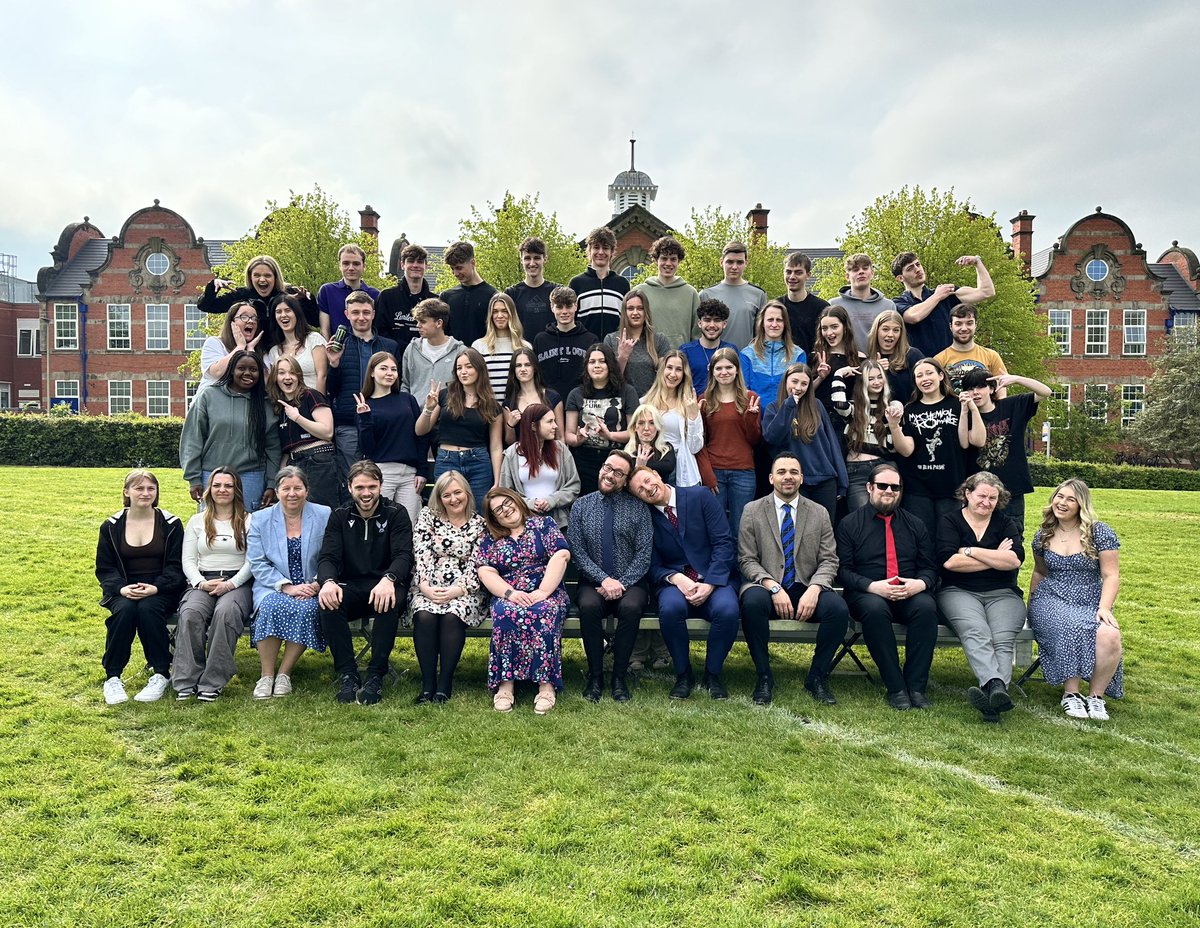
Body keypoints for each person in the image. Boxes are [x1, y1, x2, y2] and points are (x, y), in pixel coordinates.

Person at [738, 452, 849, 706]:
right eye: (781, 472)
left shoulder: (819, 512)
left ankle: (817, 677)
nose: (788, 477)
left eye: (793, 472)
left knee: (838, 609)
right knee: (752, 603)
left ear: (802, 478)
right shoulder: (752, 511)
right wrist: (772, 586)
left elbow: (830, 559)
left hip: (806, 584)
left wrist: (816, 588)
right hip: (766, 585)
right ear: (770, 478)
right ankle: (764, 676)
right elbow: (746, 559)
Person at [628, 466, 740, 700]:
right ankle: (683, 674)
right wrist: (676, 578)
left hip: (714, 579)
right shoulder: (645, 517)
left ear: (657, 474)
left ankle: (712, 674)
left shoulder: (700, 496)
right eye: (640, 489)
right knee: (670, 609)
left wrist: (710, 583)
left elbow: (723, 543)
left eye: (648, 480)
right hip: (673, 583)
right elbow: (651, 563)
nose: (648, 488)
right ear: (638, 497)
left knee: (727, 610)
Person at [836, 464, 940, 710]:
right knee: (874, 610)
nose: (889, 491)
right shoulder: (850, 524)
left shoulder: (915, 524)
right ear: (869, 488)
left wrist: (920, 584)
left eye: (895, 487)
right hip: (867, 593)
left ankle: (915, 687)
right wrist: (872, 586)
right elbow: (843, 571)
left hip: (908, 591)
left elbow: (930, 567)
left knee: (926, 607)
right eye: (883, 486)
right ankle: (895, 687)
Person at [317, 461, 414, 705]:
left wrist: (389, 579)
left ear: (381, 486)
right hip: (352, 584)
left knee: (387, 602)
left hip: (387, 583)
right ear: (350, 488)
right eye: (360, 487)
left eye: (372, 486)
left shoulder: (396, 513)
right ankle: (348, 674)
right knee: (329, 602)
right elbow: (328, 557)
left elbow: (404, 556)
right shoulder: (340, 515)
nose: (366, 492)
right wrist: (328, 582)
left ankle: (375, 676)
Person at [1028, 479, 1123, 721]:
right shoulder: (1043, 534)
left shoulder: (1099, 532)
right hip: (1051, 597)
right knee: (1069, 625)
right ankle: (1071, 694)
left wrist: (1104, 607)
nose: (1063, 503)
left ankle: (1096, 697)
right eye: (1060, 497)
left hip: (1089, 597)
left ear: (1081, 504)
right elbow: (1040, 572)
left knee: (1110, 634)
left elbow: (1111, 575)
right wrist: (1030, 605)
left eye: (1071, 499)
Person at [937, 471, 1027, 723]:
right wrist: (993, 557)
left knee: (1001, 638)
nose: (987, 502)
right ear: (967, 493)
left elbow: (1013, 560)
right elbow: (950, 563)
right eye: (981, 496)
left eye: (993, 498)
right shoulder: (950, 521)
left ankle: (993, 696)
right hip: (958, 591)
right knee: (976, 631)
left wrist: (970, 551)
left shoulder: (1005, 523)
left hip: (1003, 594)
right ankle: (997, 688)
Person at [566, 450, 653, 703]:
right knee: (590, 606)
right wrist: (603, 580)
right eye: (607, 468)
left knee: (631, 607)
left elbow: (644, 554)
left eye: (618, 473)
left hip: (631, 582)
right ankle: (595, 676)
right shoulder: (581, 506)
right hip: (594, 582)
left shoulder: (638, 509)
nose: (610, 475)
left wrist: (622, 583)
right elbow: (577, 551)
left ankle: (619, 677)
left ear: (626, 480)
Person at [476, 488, 572, 714]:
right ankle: (506, 685)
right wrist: (510, 593)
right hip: (509, 592)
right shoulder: (491, 538)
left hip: (547, 591)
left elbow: (561, 555)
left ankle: (546, 686)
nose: (506, 510)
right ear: (495, 518)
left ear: (517, 500)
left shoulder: (543, 525)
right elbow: (486, 571)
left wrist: (543, 591)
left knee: (544, 612)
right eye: (498, 510)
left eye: (507, 502)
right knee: (505, 613)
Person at [95, 470, 184, 705]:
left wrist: (156, 588)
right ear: (127, 492)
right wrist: (122, 589)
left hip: (161, 590)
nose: (145, 493)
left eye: (150, 489)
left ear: (156, 493)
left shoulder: (171, 524)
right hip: (124, 589)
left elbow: (177, 567)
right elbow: (104, 569)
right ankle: (113, 677)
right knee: (125, 611)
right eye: (139, 488)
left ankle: (161, 673)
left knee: (147, 609)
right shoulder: (111, 526)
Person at [247, 466, 332, 699]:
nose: (292, 493)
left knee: (306, 610)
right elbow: (257, 562)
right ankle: (266, 675)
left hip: (310, 586)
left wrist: (316, 584)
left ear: (307, 490)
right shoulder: (260, 518)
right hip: (273, 585)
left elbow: (332, 555)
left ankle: (284, 673)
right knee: (272, 606)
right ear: (277, 491)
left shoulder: (324, 514)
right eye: (286, 488)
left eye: (297, 488)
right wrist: (286, 586)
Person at [173, 468, 255, 701]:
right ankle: (186, 680)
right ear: (210, 489)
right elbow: (188, 560)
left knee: (226, 613)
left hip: (237, 582)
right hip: (203, 580)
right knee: (190, 613)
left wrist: (230, 584)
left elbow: (252, 561)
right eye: (217, 485)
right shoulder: (197, 521)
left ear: (236, 489)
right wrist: (200, 583)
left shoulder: (249, 520)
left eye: (228, 485)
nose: (222, 490)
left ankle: (213, 681)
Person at [408, 471, 489, 704]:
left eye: (457, 493)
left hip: (466, 590)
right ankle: (427, 685)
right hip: (428, 584)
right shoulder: (427, 517)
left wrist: (459, 590)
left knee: (453, 615)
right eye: (446, 495)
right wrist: (425, 586)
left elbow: (478, 563)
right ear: (439, 497)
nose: (453, 499)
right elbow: (421, 552)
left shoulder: (480, 524)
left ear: (467, 493)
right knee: (424, 616)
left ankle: (444, 684)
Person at [889, 357, 984, 539]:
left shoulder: (957, 404)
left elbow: (976, 441)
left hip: (952, 486)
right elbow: (907, 450)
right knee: (922, 539)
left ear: (941, 375)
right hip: (918, 489)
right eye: (919, 376)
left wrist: (971, 408)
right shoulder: (910, 410)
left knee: (949, 539)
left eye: (929, 373)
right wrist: (894, 426)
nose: (925, 378)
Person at [180, 350, 281, 512]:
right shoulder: (209, 396)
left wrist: (271, 483)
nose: (247, 373)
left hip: (251, 476)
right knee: (212, 530)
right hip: (212, 475)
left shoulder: (265, 404)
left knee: (247, 531)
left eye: (253, 369)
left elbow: (273, 448)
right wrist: (194, 479)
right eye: (241, 368)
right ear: (232, 370)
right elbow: (192, 438)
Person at [959, 369, 1052, 528]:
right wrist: (967, 409)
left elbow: (1045, 392)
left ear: (991, 388)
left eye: (981, 387)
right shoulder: (965, 414)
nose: (975, 392)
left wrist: (1016, 378)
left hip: (1011, 489)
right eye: (970, 388)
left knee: (1013, 537)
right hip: (978, 491)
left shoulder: (1012, 405)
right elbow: (969, 442)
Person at [415, 348, 503, 511]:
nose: (463, 372)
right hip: (447, 459)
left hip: (479, 462)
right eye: (459, 368)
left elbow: (496, 446)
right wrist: (428, 409)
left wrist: (497, 481)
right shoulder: (444, 395)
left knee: (479, 513)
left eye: (468, 367)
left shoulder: (492, 405)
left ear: (479, 369)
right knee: (445, 511)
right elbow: (421, 430)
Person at [762, 363, 848, 528]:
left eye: (804, 384)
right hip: (795, 481)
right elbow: (772, 438)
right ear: (785, 381)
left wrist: (842, 482)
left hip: (825, 479)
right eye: (794, 382)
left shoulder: (816, 406)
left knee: (825, 531)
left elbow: (832, 443)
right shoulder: (774, 408)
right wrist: (788, 405)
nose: (798, 387)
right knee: (798, 532)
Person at [325, 290, 399, 476]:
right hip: (349, 423)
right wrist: (333, 364)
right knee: (353, 479)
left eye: (366, 312)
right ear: (347, 314)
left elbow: (397, 385)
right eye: (355, 312)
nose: (361, 317)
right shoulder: (339, 346)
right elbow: (331, 389)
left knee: (382, 478)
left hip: (382, 423)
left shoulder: (390, 346)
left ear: (373, 314)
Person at [355, 350, 428, 530]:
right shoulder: (365, 404)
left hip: (409, 474)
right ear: (372, 372)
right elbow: (367, 448)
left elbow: (421, 436)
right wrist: (365, 418)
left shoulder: (407, 399)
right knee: (379, 526)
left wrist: (422, 470)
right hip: (381, 473)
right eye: (384, 368)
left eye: (394, 369)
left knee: (410, 525)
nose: (389, 373)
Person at [702, 347, 762, 542]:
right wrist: (707, 474)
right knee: (717, 529)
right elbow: (698, 441)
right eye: (718, 368)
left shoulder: (749, 398)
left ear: (737, 370)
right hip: (715, 470)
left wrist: (751, 418)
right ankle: (720, 572)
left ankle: (741, 572)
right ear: (712, 371)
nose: (724, 372)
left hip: (743, 471)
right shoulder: (704, 400)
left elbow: (754, 440)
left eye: (729, 367)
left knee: (741, 530)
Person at [565, 344, 640, 496]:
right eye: (592, 362)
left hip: (617, 459)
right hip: (584, 459)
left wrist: (610, 436)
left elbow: (635, 432)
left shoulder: (627, 391)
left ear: (610, 365)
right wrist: (578, 438)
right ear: (586, 366)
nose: (597, 366)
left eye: (602, 361)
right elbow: (568, 434)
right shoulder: (575, 394)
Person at [269, 356, 339, 510]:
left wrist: (297, 418)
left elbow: (327, 432)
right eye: (281, 373)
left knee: (323, 513)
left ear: (298, 376)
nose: (287, 377)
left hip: (318, 460)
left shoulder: (310, 395)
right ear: (275, 377)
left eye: (292, 373)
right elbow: (287, 451)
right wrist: (280, 478)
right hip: (294, 463)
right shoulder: (280, 407)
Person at [893, 252, 995, 358]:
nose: (917, 269)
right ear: (900, 278)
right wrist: (938, 295)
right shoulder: (898, 302)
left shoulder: (946, 293)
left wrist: (977, 262)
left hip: (950, 365)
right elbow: (914, 317)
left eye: (918, 264)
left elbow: (986, 292)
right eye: (910, 268)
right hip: (919, 369)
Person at [198, 254, 317, 342]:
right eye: (257, 275)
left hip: (283, 352)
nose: (262, 280)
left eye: (267, 275)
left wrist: (306, 302)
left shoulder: (289, 295)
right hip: (253, 354)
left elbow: (315, 321)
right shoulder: (242, 295)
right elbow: (206, 305)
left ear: (275, 277)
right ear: (250, 277)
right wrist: (213, 286)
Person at [499, 403, 581, 529]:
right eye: (550, 422)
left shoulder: (561, 449)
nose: (555, 426)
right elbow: (505, 492)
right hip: (524, 521)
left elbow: (574, 485)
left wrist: (552, 501)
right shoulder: (512, 454)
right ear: (533, 426)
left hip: (558, 521)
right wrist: (530, 503)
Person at [830, 358, 895, 512]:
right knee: (862, 518)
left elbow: (892, 447)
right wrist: (839, 374)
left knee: (884, 516)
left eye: (880, 377)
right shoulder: (854, 408)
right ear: (863, 381)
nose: (876, 382)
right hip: (856, 470)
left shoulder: (889, 408)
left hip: (882, 467)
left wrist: (894, 419)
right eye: (870, 378)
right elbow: (839, 404)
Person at [641, 349, 706, 489]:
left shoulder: (689, 403)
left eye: (678, 370)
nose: (673, 374)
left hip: (681, 469)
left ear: (684, 374)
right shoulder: (645, 402)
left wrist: (694, 416)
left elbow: (695, 447)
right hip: (653, 465)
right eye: (669, 368)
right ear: (662, 370)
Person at [604, 289, 671, 397]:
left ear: (646, 311)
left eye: (640, 308)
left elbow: (666, 378)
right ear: (624, 312)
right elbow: (608, 382)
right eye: (630, 308)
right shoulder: (611, 339)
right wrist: (622, 357)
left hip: (651, 404)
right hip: (622, 404)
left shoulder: (659, 340)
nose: (635, 313)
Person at [699, 241, 766, 348]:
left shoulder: (758, 294)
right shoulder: (706, 294)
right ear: (721, 262)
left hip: (746, 359)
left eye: (739, 262)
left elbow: (761, 334)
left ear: (746, 263)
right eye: (730, 262)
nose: (734, 267)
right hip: (715, 360)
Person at [533, 285, 594, 401]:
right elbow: (535, 376)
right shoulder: (541, 340)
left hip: (581, 403)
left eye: (569, 306)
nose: (564, 312)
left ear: (576, 306)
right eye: (559, 307)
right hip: (548, 404)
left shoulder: (590, 340)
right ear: (552, 307)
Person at [933, 304, 1009, 396]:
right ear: (950, 326)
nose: (964, 328)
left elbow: (1001, 392)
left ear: (975, 325)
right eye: (958, 324)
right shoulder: (938, 360)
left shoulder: (992, 356)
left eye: (969, 323)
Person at [640, 235, 700, 348]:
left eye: (673, 259)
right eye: (664, 258)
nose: (668, 263)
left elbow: (697, 333)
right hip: (649, 359)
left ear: (679, 261)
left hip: (680, 360)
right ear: (656, 260)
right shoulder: (641, 291)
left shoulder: (691, 293)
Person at [571, 226, 629, 340]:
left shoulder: (622, 284)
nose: (601, 252)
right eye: (596, 247)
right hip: (585, 349)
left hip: (614, 349)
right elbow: (571, 319)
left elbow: (627, 319)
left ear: (612, 251)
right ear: (589, 250)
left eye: (605, 248)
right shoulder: (576, 283)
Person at [739, 299, 806, 399]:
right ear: (762, 323)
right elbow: (744, 391)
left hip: (787, 412)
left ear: (785, 324)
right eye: (770, 320)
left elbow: (800, 391)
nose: (774, 325)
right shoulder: (747, 354)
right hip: (756, 412)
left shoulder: (798, 355)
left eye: (779, 320)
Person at [196, 301, 265, 396]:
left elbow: (267, 383)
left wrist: (251, 351)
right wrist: (240, 347)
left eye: (254, 318)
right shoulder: (214, 343)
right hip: (210, 406)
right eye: (244, 317)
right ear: (232, 322)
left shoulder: (259, 350)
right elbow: (217, 373)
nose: (250, 321)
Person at [375, 242, 434, 354]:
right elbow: (379, 332)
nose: (415, 265)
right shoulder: (386, 297)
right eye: (411, 261)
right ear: (402, 265)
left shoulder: (435, 301)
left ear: (426, 266)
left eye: (420, 262)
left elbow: (441, 334)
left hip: (427, 361)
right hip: (394, 361)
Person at [810, 305, 865, 423]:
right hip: (819, 420)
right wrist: (820, 377)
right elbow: (805, 392)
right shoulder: (815, 356)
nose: (829, 333)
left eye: (834, 327)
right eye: (824, 328)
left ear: (845, 327)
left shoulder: (860, 358)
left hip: (848, 422)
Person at [829, 253, 896, 347]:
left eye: (865, 268)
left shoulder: (889, 306)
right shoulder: (834, 305)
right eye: (855, 270)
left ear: (872, 273)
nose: (861, 272)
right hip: (845, 360)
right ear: (847, 277)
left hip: (879, 360)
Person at [471, 291, 531, 397]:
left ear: (511, 314)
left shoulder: (525, 346)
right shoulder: (478, 346)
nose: (499, 316)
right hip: (488, 410)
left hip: (516, 409)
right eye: (495, 311)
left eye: (504, 311)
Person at [265, 293, 327, 393]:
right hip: (287, 405)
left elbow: (322, 376)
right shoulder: (274, 351)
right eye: (278, 312)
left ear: (297, 313)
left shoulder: (314, 339)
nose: (283, 315)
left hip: (314, 403)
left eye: (288, 310)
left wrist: (319, 405)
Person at [400, 297, 464, 395]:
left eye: (423, 321)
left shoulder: (459, 351)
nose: (418, 325)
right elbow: (406, 384)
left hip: (448, 409)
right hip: (416, 409)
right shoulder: (412, 349)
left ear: (439, 323)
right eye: (417, 321)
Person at [502, 346, 564, 446]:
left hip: (549, 456)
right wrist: (510, 425)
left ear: (534, 368)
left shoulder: (553, 397)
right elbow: (510, 442)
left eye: (527, 365)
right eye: (518, 365)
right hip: (521, 457)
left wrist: (561, 460)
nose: (523, 369)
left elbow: (560, 437)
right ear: (514, 370)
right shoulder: (509, 403)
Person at [440, 241, 497, 348]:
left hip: (483, 359)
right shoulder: (446, 297)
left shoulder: (493, 296)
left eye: (459, 268)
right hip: (453, 360)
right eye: (452, 268)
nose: (455, 273)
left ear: (473, 263)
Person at [318, 243, 381, 340]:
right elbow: (324, 329)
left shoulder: (375, 294)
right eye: (346, 263)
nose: (351, 268)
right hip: (336, 350)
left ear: (364, 266)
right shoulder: (327, 291)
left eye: (356, 263)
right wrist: (329, 351)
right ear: (340, 265)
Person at [680, 298, 739, 394]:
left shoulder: (731, 350)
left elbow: (738, 382)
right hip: (693, 405)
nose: (712, 325)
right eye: (707, 320)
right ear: (699, 323)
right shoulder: (686, 351)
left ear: (724, 324)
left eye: (717, 320)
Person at [779, 251, 830, 359]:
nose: (792, 277)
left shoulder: (822, 308)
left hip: (815, 369)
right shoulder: (776, 307)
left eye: (798, 272)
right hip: (783, 369)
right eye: (788, 272)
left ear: (808, 275)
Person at [867, 309, 924, 404]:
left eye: (896, 330)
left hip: (910, 413)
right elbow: (861, 394)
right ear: (876, 331)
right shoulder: (867, 359)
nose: (890, 334)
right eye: (885, 329)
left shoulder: (913, 355)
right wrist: (875, 371)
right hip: (879, 414)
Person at [506, 236, 558, 337]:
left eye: (537, 258)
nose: (532, 263)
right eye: (527, 258)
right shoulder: (511, 294)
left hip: (551, 351)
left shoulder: (557, 291)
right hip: (521, 350)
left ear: (545, 259)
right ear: (521, 260)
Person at [624, 403, 677, 484]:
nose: (646, 428)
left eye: (652, 423)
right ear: (635, 427)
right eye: (641, 423)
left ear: (658, 427)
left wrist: (641, 466)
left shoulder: (666, 448)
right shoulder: (627, 452)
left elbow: (668, 467)